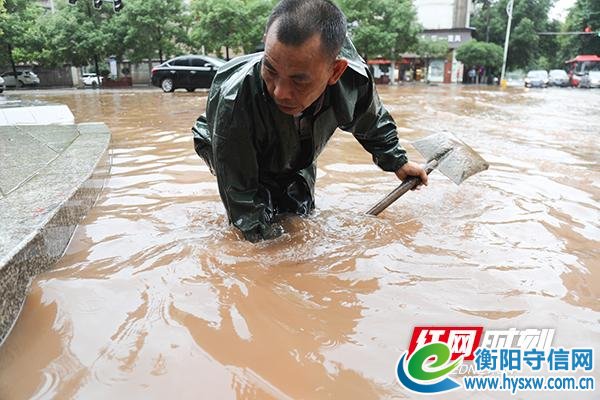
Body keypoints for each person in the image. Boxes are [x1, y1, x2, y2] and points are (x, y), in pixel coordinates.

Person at [192, 0, 427, 242]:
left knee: (299, 213)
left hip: (298, 146)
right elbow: (242, 197)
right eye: (271, 70)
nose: (280, 92)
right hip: (228, 139)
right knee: (258, 222)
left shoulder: (353, 80)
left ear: (335, 71)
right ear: (266, 43)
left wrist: (397, 161)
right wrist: (265, 255)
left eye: (299, 81)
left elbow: (371, 120)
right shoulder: (234, 101)